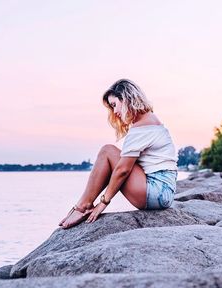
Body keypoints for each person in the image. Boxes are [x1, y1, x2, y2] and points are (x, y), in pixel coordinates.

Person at [59, 79, 177, 229]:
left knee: (107, 151)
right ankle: (84, 204)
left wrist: (103, 203)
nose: (114, 112)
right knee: (111, 154)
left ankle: (83, 206)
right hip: (163, 192)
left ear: (127, 99)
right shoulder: (149, 119)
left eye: (114, 105)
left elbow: (122, 170)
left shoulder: (142, 127)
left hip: (156, 191)